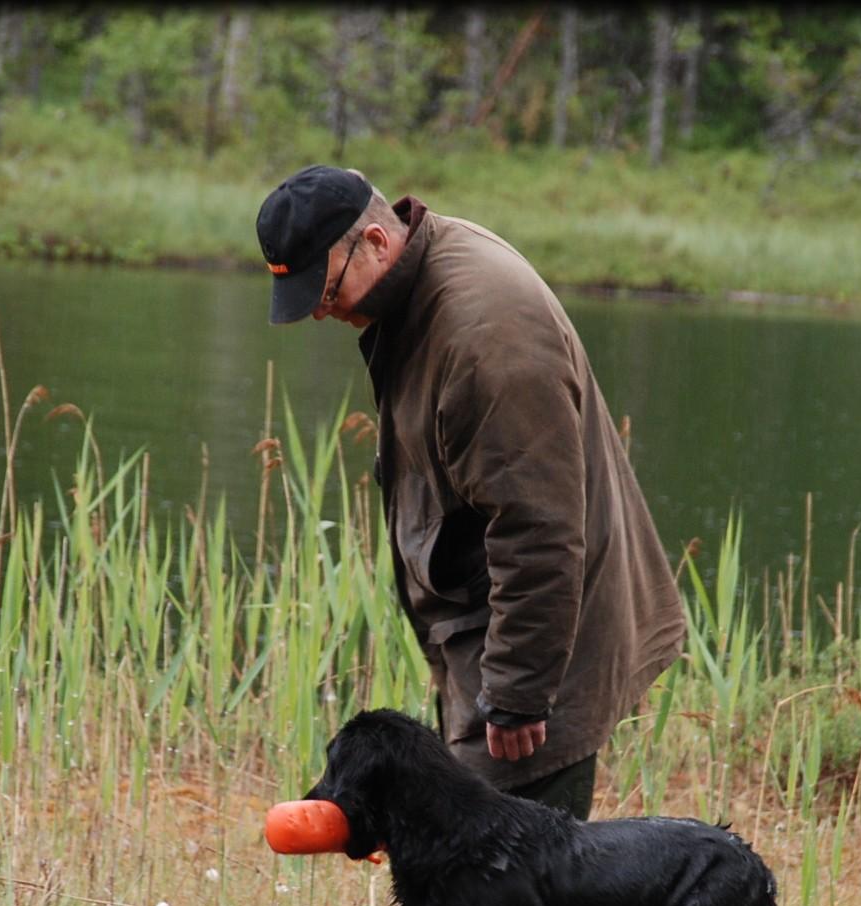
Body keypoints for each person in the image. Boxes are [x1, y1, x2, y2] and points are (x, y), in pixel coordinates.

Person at [257, 164, 685, 820]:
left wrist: (517, 691)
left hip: (545, 637)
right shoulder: (417, 280)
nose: (319, 311)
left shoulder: (487, 340)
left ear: (376, 241)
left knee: (514, 889)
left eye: (326, 288)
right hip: (495, 623)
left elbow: (537, 528)